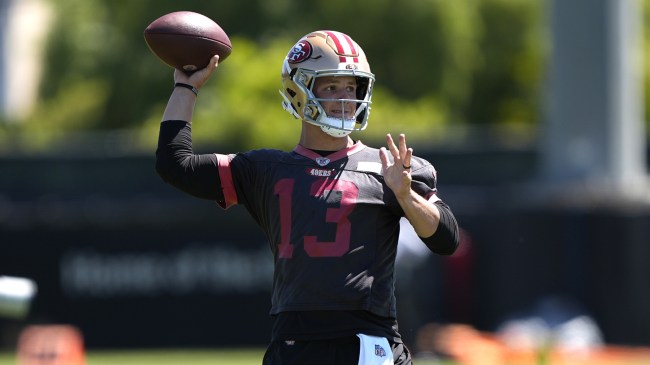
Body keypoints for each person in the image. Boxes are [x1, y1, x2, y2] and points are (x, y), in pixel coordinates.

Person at [156, 30, 460, 365]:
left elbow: (447, 239)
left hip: (369, 345)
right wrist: (186, 86)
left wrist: (405, 196)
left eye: (351, 87)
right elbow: (176, 165)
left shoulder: (390, 167)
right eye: (331, 87)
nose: (345, 98)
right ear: (297, 90)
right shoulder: (266, 169)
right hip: (294, 344)